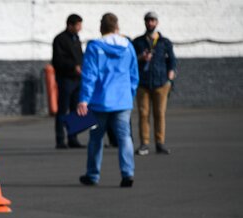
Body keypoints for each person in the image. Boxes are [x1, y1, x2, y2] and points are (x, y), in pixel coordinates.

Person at [77, 13, 139, 187]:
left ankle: (93, 175)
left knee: (96, 139)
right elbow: (134, 74)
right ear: (116, 27)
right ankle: (127, 173)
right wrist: (130, 94)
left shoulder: (94, 47)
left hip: (100, 101)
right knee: (124, 137)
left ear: (101, 27)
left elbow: (89, 75)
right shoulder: (128, 46)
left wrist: (84, 99)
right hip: (122, 100)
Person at [133, 11, 177, 156]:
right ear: (144, 22)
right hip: (143, 84)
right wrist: (141, 57)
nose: (150, 23)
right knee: (143, 114)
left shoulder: (165, 42)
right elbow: (131, 61)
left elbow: (172, 60)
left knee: (160, 114)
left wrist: (170, 77)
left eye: (152, 20)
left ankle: (160, 143)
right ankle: (144, 144)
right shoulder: (138, 42)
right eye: (148, 20)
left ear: (157, 22)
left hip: (161, 84)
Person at [52, 14, 84, 149]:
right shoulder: (60, 39)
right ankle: (60, 139)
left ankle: (73, 138)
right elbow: (58, 60)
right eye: (78, 25)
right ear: (70, 25)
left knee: (75, 111)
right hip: (65, 80)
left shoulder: (76, 39)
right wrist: (73, 66)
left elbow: (80, 57)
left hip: (77, 79)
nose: (80, 28)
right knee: (62, 110)